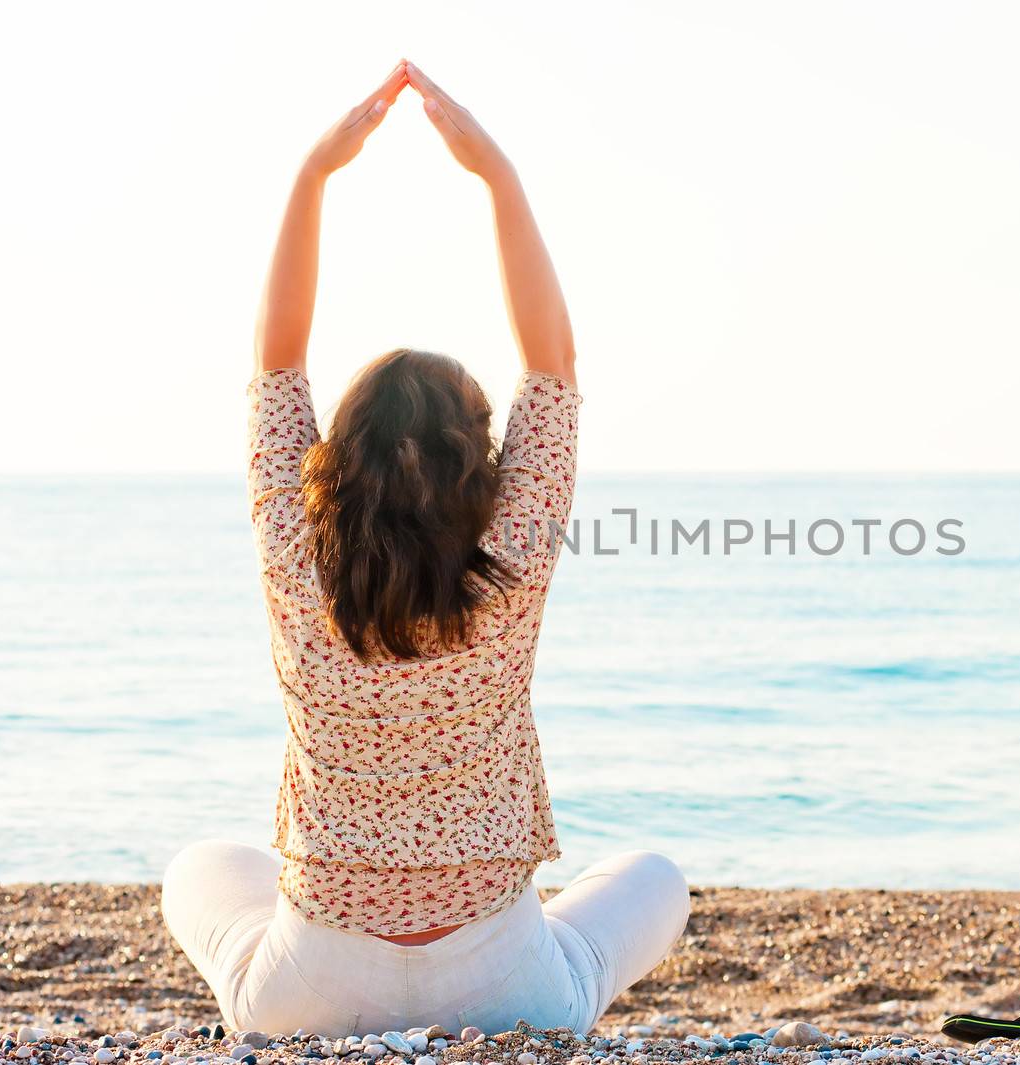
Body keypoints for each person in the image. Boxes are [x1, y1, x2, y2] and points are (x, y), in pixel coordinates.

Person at [160, 59, 689, 1039]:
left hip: (310, 986)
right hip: (505, 989)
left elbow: (275, 359)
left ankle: (274, 996)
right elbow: (554, 365)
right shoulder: (513, 563)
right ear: (477, 460)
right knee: (655, 882)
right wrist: (495, 176)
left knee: (201, 870)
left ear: (335, 460)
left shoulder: (292, 553)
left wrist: (316, 174)